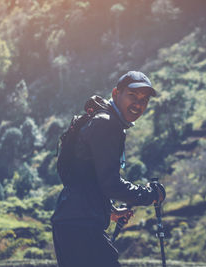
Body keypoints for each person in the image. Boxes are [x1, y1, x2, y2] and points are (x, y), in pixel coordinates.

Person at [51, 71, 166, 267]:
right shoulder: (107, 124)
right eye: (132, 96)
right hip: (81, 227)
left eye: (144, 100)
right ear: (115, 94)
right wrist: (149, 194)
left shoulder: (100, 120)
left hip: (71, 222)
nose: (138, 104)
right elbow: (111, 184)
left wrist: (109, 210)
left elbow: (86, 177)